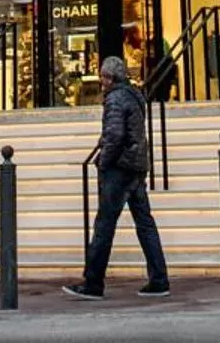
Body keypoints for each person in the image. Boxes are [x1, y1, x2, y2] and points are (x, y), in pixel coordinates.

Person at [63, 56, 169, 301]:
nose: (101, 81)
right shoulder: (134, 95)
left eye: (103, 76)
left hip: (120, 168)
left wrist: (103, 162)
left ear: (109, 78)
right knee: (145, 223)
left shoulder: (115, 98)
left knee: (104, 225)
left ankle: (93, 282)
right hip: (137, 165)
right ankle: (159, 279)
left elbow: (114, 135)